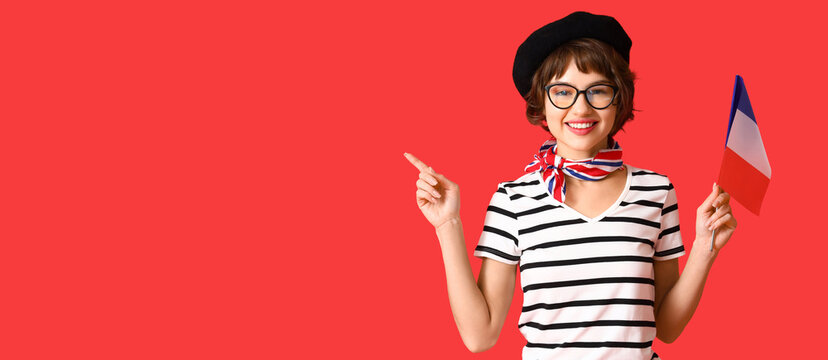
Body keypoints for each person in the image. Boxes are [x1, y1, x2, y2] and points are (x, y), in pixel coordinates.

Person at [403, 11, 738, 360]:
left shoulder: (656, 192)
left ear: (618, 98)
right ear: (542, 103)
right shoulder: (513, 200)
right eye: (562, 92)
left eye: (598, 91)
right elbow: (480, 335)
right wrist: (447, 225)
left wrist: (704, 248)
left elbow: (665, 328)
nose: (581, 108)